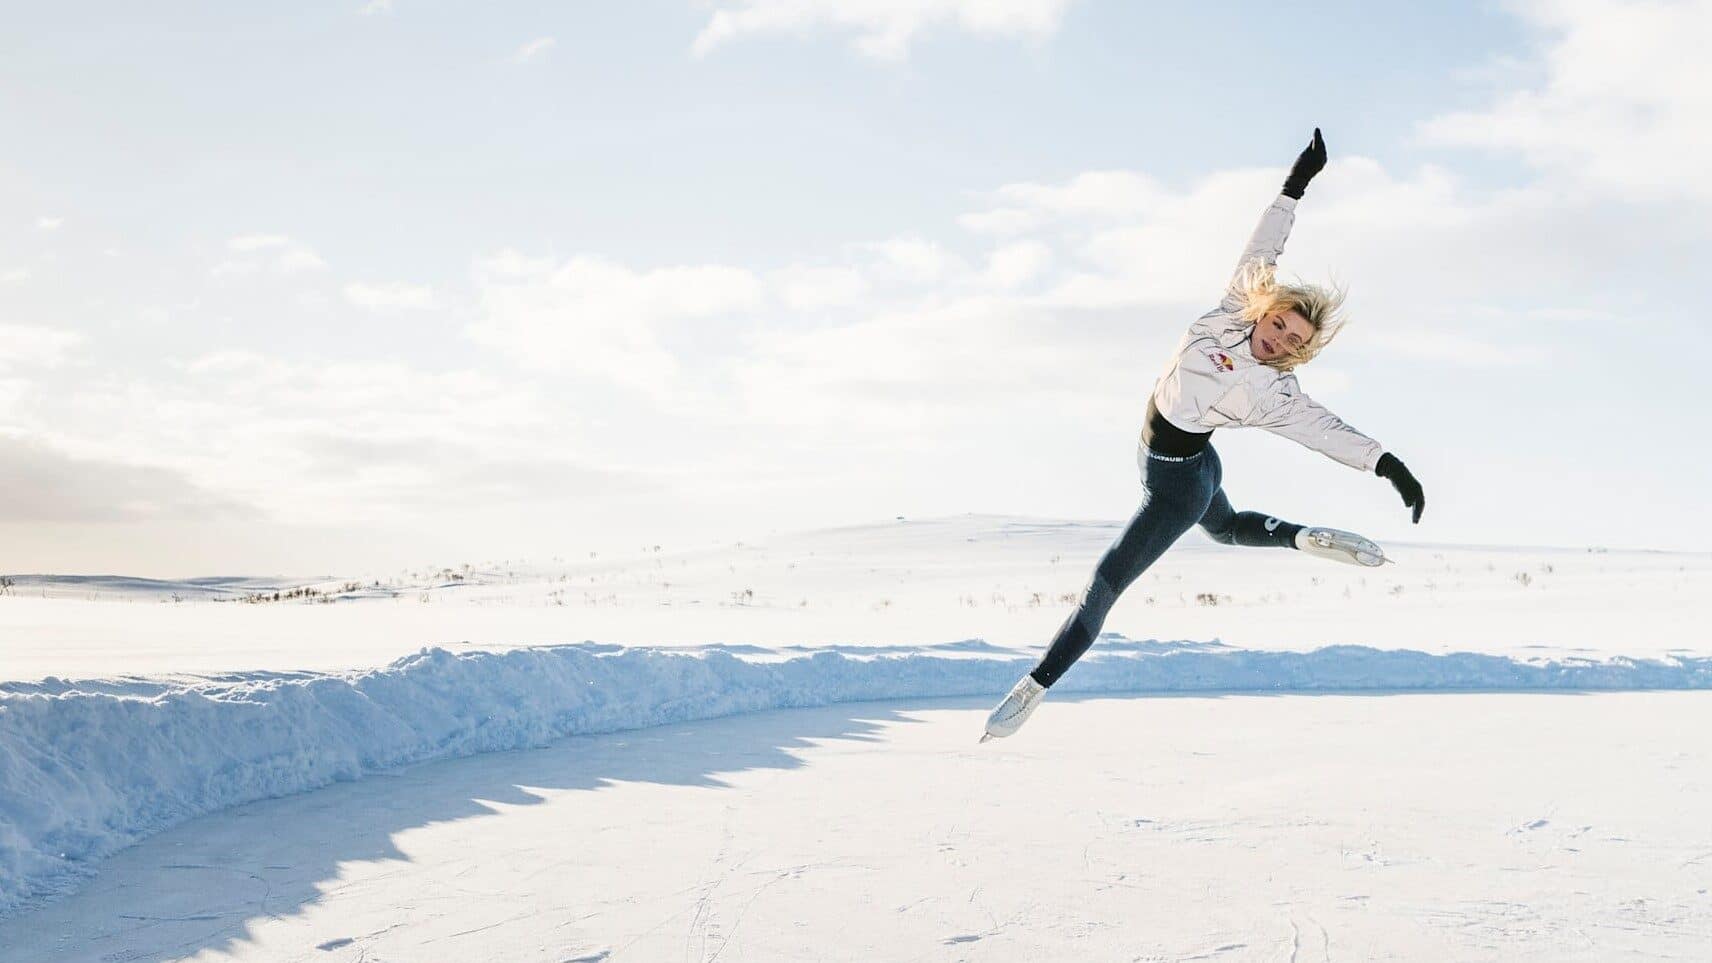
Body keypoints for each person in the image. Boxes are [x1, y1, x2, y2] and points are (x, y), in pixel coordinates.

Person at [981, 128, 1426, 742]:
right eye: (1278, 326)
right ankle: (1300, 538)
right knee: (1225, 529)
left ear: (1301, 353)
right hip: (1193, 464)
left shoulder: (1276, 396)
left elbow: (1329, 432)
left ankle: (1034, 687)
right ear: (1265, 309)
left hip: (1177, 481)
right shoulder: (1231, 309)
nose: (1278, 341)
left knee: (1105, 585)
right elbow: (1266, 241)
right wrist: (1295, 185)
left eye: (1293, 343)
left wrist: (1389, 466)